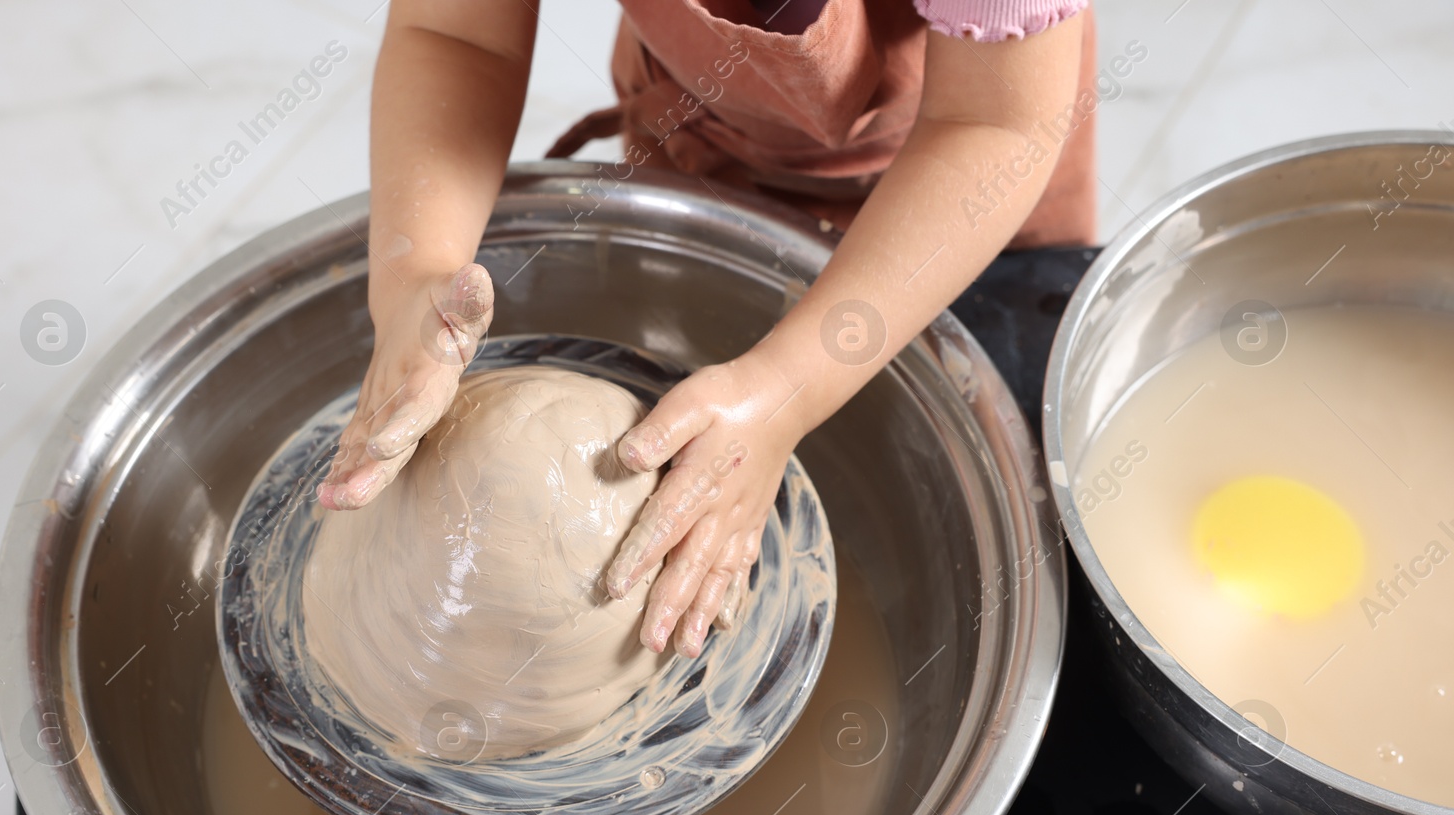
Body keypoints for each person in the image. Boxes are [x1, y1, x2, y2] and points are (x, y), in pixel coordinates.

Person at [319, 0, 1096, 659]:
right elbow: (458, 35)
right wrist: (416, 275)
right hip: (704, 124)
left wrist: (784, 391)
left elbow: (995, 121)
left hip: (955, 155)